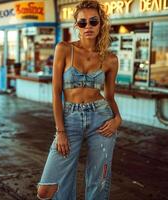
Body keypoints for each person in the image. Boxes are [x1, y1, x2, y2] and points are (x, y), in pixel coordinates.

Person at [37, 0, 122, 199]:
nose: (88, 26)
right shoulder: (64, 49)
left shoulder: (110, 59)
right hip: (70, 118)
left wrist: (117, 118)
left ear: (101, 24)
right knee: (47, 189)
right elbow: (56, 92)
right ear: (76, 26)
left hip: (101, 118)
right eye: (82, 23)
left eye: (93, 22)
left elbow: (109, 97)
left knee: (98, 181)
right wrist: (60, 131)